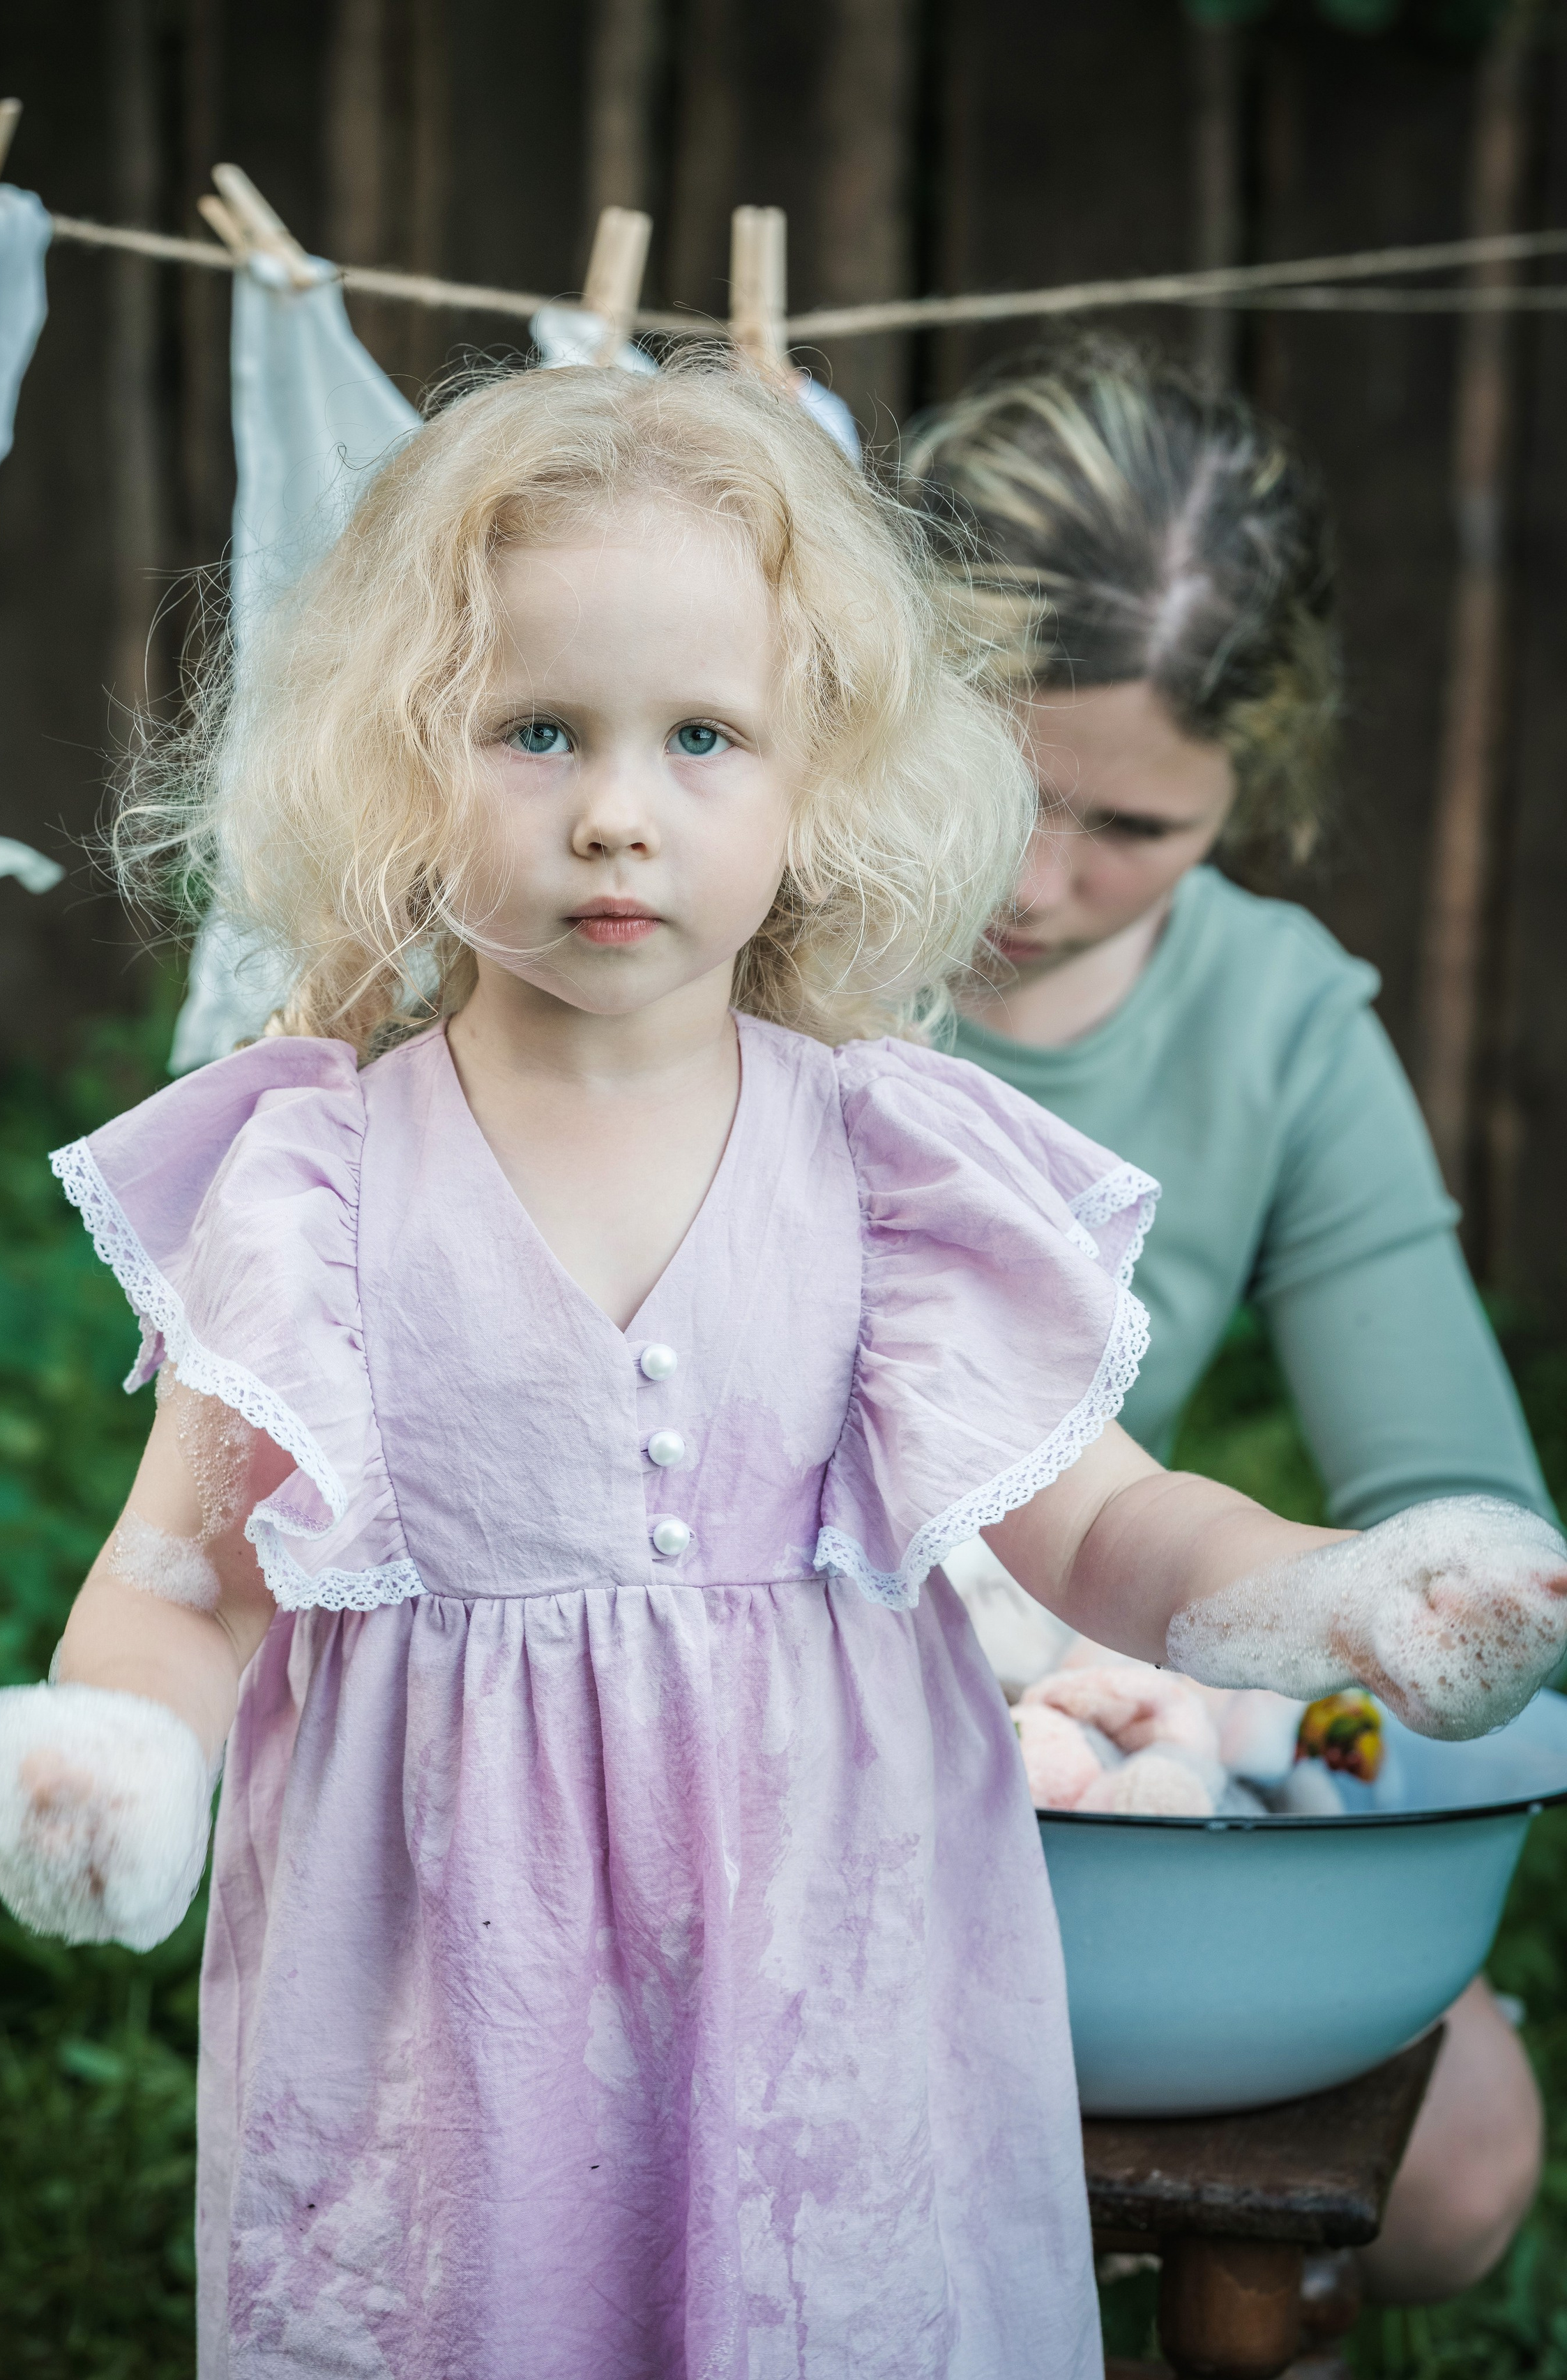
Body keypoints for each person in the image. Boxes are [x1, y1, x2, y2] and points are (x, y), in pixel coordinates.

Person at [0, 360, 1567, 2379]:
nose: (616, 810)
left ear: (825, 781)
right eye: (536, 730)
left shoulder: (887, 1161)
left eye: (702, 736)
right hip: (452, 2000)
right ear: (399, 762)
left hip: (829, 1978)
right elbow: (189, 1575)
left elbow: (1107, 1528)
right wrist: (124, 1743)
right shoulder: (318, 1183)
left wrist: (1330, 1595)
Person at [906, 342, 1555, 2305]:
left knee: (1459, 2169)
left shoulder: (1274, 1025)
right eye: (999, 787)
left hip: (1084, 1693)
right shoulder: (723, 954)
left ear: (1245, 791)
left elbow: (1456, 1501)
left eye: (1133, 827)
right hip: (740, 1711)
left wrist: (1409, 1628)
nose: (1035, 882)